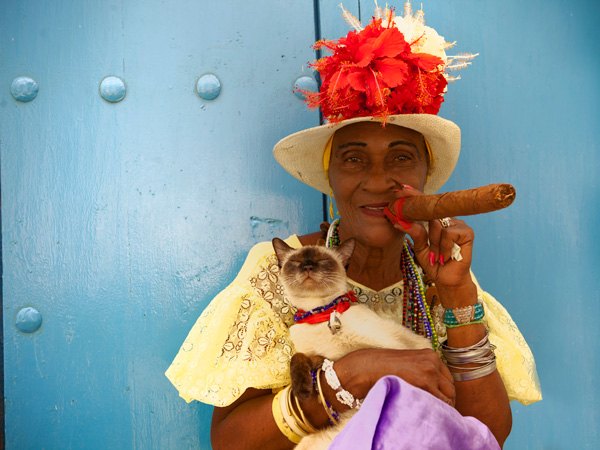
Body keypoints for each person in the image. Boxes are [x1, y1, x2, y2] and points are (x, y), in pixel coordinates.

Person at [166, 3, 541, 449]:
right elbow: (231, 442)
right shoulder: (279, 270)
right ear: (331, 178)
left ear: (424, 176)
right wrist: (357, 371)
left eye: (401, 157)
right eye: (353, 158)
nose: (379, 181)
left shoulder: (441, 274)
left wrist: (459, 294)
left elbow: (486, 434)